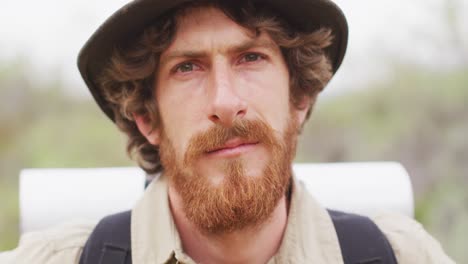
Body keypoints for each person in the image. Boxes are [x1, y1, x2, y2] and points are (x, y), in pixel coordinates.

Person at [0, 0, 454, 263]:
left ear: (300, 97)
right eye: (188, 67)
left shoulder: (403, 257)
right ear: (146, 117)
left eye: (250, 57)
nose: (224, 101)